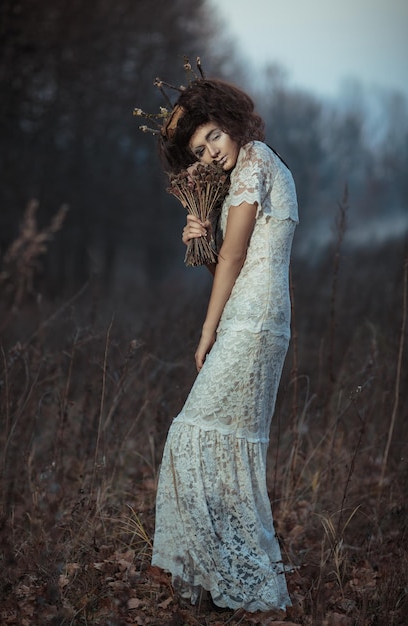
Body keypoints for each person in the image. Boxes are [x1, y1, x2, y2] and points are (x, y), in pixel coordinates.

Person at [151, 77, 298, 612]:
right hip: (253, 316)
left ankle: (247, 585)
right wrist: (200, 243)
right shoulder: (252, 168)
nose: (212, 152)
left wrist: (206, 330)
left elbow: (236, 264)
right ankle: (232, 583)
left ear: (232, 123)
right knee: (212, 440)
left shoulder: (255, 160)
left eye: (213, 136)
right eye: (199, 150)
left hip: (252, 323)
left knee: (194, 436)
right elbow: (231, 266)